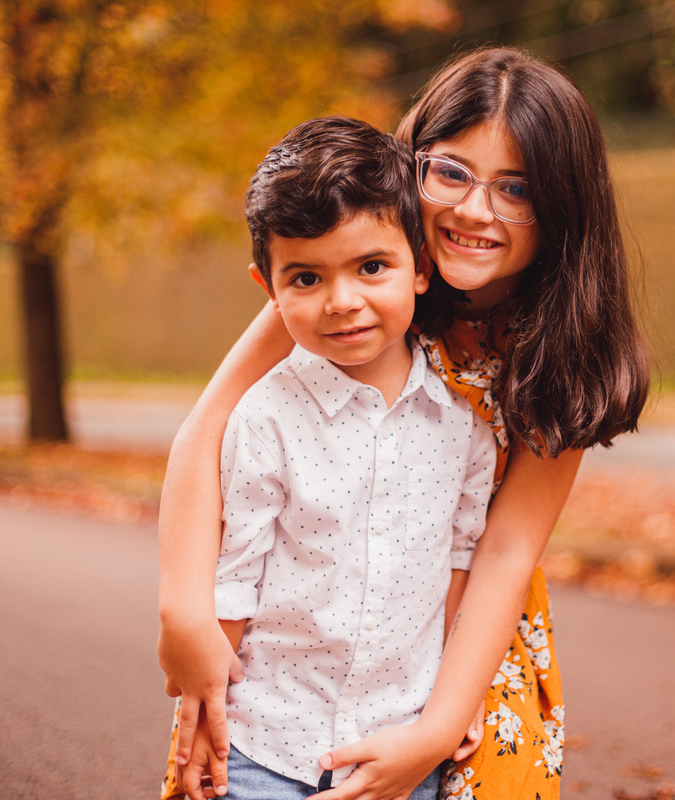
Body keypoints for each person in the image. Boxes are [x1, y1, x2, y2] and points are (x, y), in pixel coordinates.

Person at [158, 47, 649, 800]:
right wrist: (185, 612)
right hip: (302, 661)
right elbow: (208, 429)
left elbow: (507, 548)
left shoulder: (564, 342)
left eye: (516, 188)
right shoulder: (354, 274)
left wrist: (439, 724)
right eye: (452, 172)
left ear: (562, 204)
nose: (475, 210)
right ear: (411, 166)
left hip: (462, 633)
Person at [179, 114, 498, 800]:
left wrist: (455, 699)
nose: (342, 302)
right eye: (306, 278)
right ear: (269, 289)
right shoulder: (264, 418)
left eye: (371, 267)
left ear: (420, 266)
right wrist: (203, 712)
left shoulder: (464, 427)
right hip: (265, 743)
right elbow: (234, 576)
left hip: (400, 744)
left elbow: (462, 560)